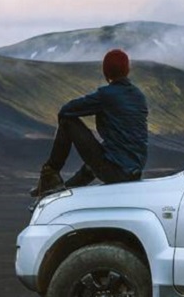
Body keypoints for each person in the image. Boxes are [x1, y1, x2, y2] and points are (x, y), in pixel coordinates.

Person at [30, 49, 149, 197]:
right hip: (133, 172)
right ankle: (63, 193)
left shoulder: (106, 95)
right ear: (127, 70)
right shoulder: (139, 96)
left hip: (116, 171)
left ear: (106, 72)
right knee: (100, 159)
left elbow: (66, 110)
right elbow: (119, 143)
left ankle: (50, 174)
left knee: (68, 122)